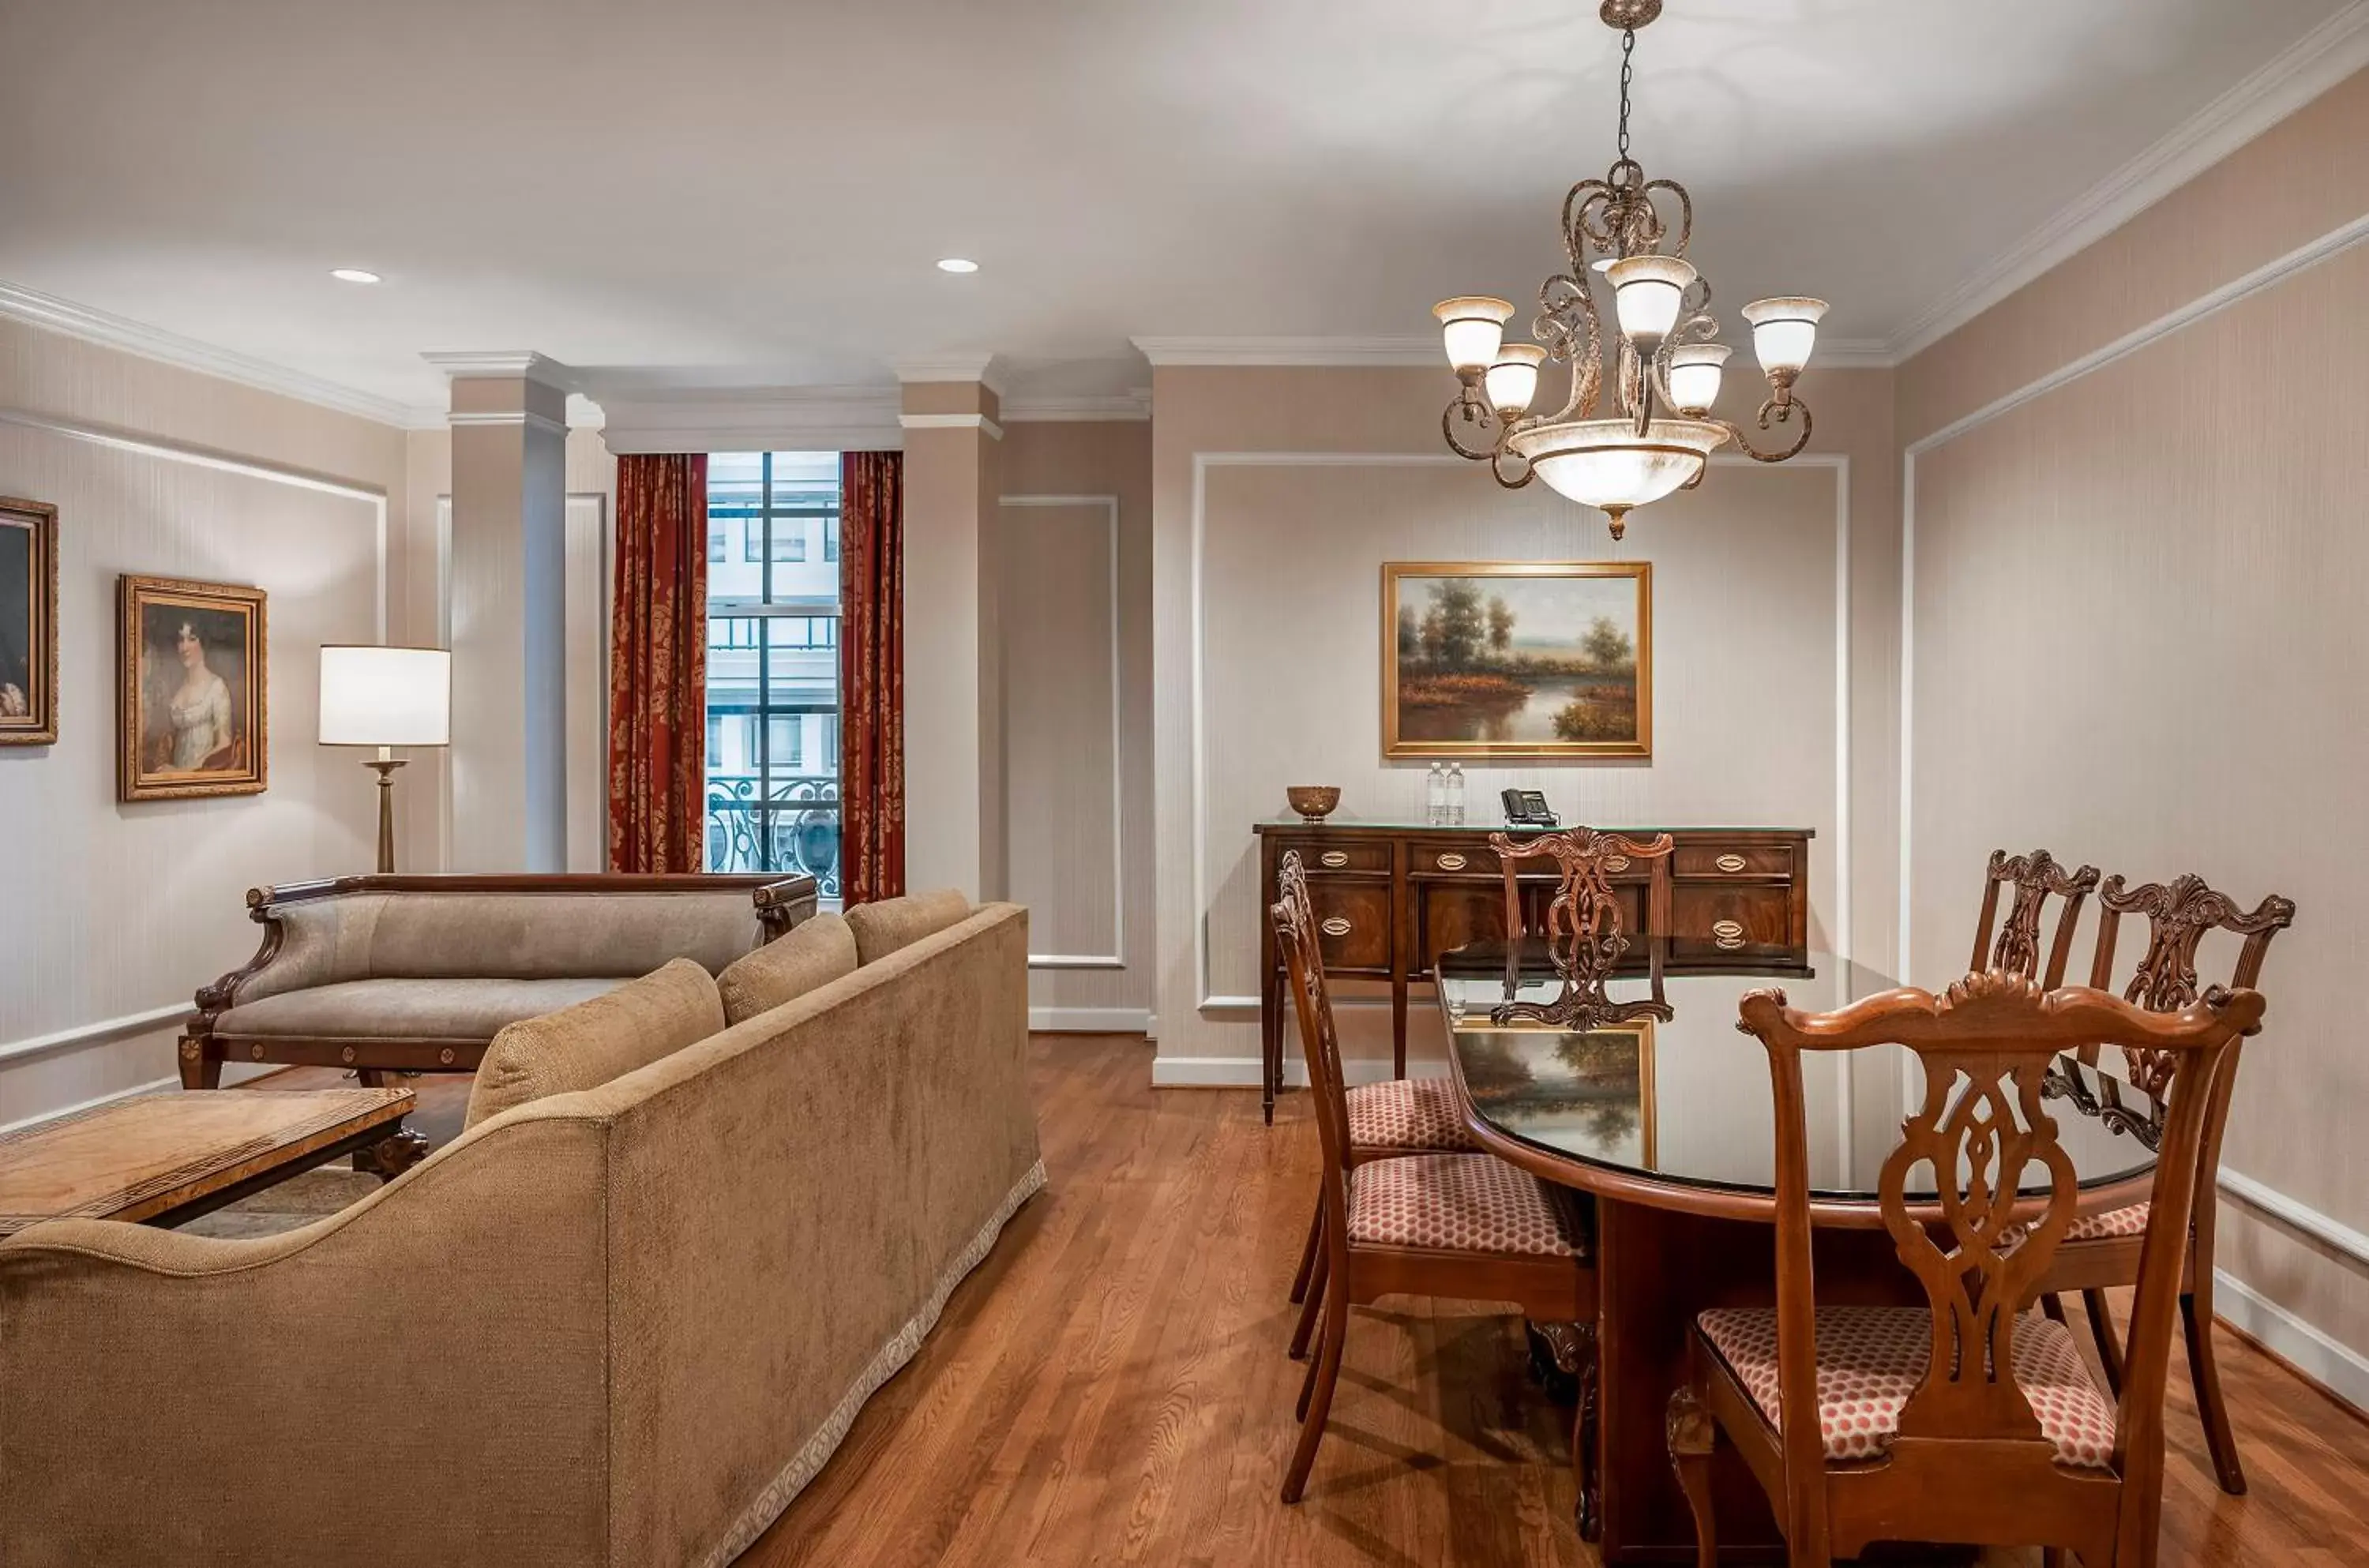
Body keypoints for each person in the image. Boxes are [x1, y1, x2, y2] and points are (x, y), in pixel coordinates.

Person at [152, 619, 237, 771]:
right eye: (181, 640)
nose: (184, 648)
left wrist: (183, 773)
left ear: (204, 643)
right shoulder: (176, 688)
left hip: (201, 775)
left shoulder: (216, 687)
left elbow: (224, 743)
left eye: (192, 639)